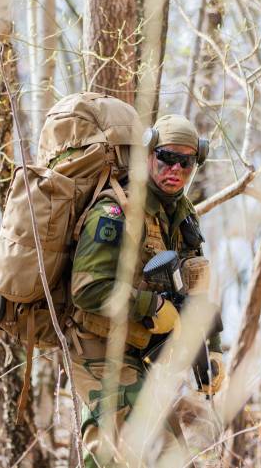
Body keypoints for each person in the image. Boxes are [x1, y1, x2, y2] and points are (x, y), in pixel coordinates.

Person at [68, 114, 225, 466]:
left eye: (186, 161)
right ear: (149, 155)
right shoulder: (115, 211)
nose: (176, 168)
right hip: (100, 348)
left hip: (141, 350)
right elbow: (87, 288)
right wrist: (151, 306)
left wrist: (212, 351)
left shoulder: (182, 216)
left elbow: (195, 291)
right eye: (168, 157)